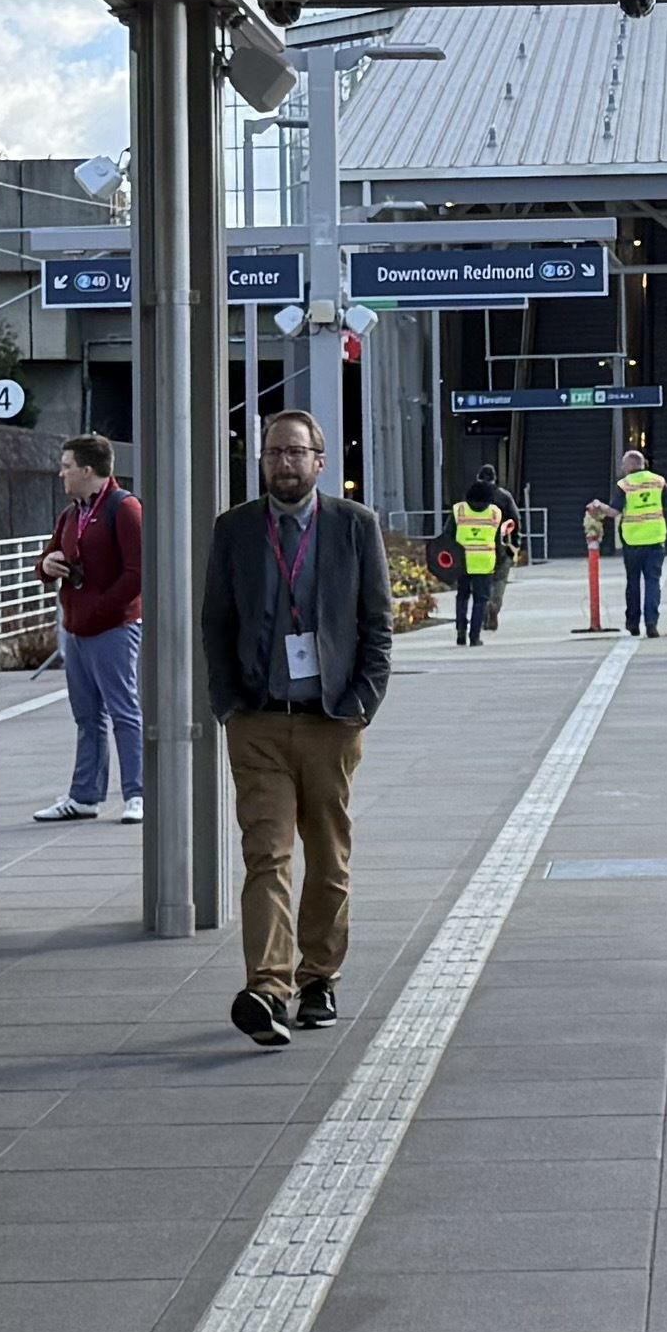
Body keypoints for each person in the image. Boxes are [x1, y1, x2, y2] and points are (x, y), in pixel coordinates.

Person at [203, 406, 390, 1045]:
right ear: (261, 460)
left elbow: (378, 625)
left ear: (320, 460)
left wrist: (362, 701)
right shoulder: (234, 530)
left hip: (331, 722)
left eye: (295, 452)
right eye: (273, 452)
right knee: (267, 854)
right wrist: (228, 702)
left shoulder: (353, 527)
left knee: (329, 858)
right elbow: (216, 623)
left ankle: (318, 980)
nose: (284, 463)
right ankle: (268, 989)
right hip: (257, 722)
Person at [38, 431, 143, 823]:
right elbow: (48, 557)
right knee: (87, 715)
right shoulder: (71, 513)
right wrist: (47, 566)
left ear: (87, 469)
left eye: (66, 467)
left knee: (123, 709)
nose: (61, 474)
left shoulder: (124, 508)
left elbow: (136, 574)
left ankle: (137, 792)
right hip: (77, 626)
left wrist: (100, 609)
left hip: (113, 627)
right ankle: (85, 795)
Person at [611, 438, 667, 638]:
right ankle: (651, 622)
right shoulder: (658, 481)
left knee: (633, 583)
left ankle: (633, 624)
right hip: (655, 540)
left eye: (624, 464)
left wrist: (597, 508)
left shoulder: (625, 484)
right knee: (652, 582)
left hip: (632, 543)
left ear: (630, 466)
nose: (622, 468)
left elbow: (614, 511)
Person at [443, 470, 514, 647]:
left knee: (462, 597)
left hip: (462, 562)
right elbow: (498, 541)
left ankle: (460, 632)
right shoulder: (494, 513)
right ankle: (475, 637)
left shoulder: (459, 510)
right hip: (484, 563)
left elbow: (447, 536)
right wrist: (501, 560)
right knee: (481, 600)